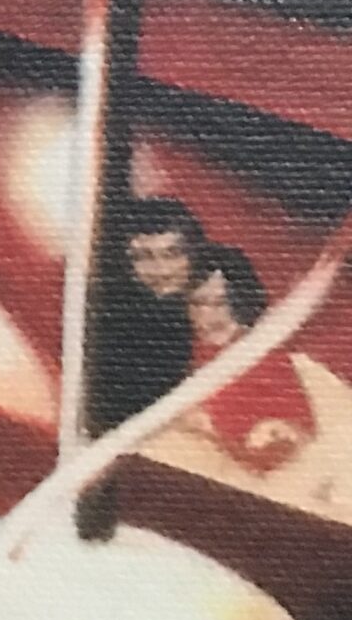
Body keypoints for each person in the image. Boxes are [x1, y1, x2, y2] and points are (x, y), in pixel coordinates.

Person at [180, 246, 312, 471]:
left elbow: (301, 431)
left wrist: (275, 430)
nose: (206, 314)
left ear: (238, 301)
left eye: (219, 303)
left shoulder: (263, 354)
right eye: (197, 302)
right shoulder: (186, 348)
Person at [88, 198, 205, 432]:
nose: (161, 270)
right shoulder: (118, 333)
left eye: (173, 254)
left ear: (194, 255)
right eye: (143, 257)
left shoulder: (221, 310)